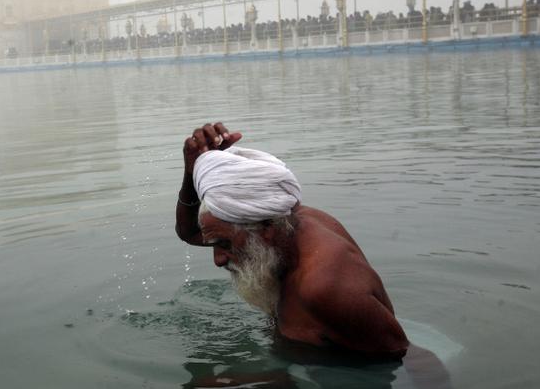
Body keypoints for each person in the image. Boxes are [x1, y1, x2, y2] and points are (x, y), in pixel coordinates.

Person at [175, 122, 409, 359]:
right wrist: (191, 171)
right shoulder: (286, 226)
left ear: (265, 228)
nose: (218, 260)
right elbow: (189, 233)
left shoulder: (324, 287)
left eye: (224, 245)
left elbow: (404, 356)